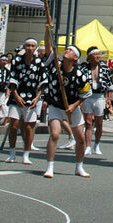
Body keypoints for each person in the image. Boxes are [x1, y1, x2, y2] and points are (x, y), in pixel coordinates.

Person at [42, 26, 92, 179]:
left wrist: (74, 106)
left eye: (70, 50)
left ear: (75, 58)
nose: (67, 51)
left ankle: (79, 167)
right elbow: (48, 47)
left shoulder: (79, 75)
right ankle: (49, 166)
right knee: (55, 134)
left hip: (72, 107)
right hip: (56, 105)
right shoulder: (54, 64)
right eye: (67, 49)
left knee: (81, 138)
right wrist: (47, 30)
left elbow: (86, 93)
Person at [5, 39, 46, 164]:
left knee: (29, 128)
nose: (30, 48)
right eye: (28, 45)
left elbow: (42, 83)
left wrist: (37, 98)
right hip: (16, 97)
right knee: (14, 126)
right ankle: (12, 153)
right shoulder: (17, 61)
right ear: (24, 47)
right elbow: (12, 80)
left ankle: (26, 154)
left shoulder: (39, 63)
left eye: (33, 46)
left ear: (36, 48)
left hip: (32, 98)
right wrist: (16, 96)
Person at [81, 47, 113, 156]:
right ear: (90, 56)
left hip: (100, 96)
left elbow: (110, 85)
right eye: (95, 54)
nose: (97, 56)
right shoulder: (84, 68)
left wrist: (108, 99)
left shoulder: (104, 68)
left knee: (99, 123)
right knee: (88, 122)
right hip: (88, 96)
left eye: (98, 54)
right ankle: (88, 146)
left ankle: (97, 144)